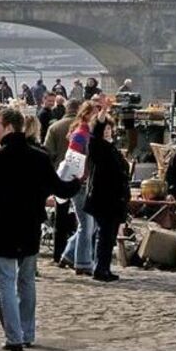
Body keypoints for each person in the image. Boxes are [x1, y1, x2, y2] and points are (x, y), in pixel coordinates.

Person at [0, 108, 80, 351]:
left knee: (7, 282)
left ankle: (14, 336)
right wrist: (77, 180)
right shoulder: (39, 158)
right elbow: (61, 189)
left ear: (9, 127)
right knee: (26, 281)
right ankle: (26, 332)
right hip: (29, 226)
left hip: (3, 228)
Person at [84, 109, 130, 282]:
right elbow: (95, 135)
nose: (107, 132)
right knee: (104, 235)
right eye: (105, 129)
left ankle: (104, 267)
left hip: (114, 199)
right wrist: (101, 120)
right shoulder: (97, 146)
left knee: (108, 236)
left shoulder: (111, 148)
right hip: (103, 198)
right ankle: (100, 269)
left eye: (109, 129)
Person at [60, 102, 98, 274]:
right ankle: (82, 263)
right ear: (87, 115)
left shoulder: (88, 133)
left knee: (92, 224)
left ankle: (68, 254)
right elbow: (72, 158)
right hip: (79, 184)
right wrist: (77, 177)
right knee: (86, 224)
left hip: (86, 183)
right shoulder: (81, 134)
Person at [44, 99, 81, 263]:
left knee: (60, 216)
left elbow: (48, 153)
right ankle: (75, 252)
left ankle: (58, 253)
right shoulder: (84, 128)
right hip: (79, 176)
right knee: (81, 218)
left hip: (60, 176)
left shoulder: (55, 127)